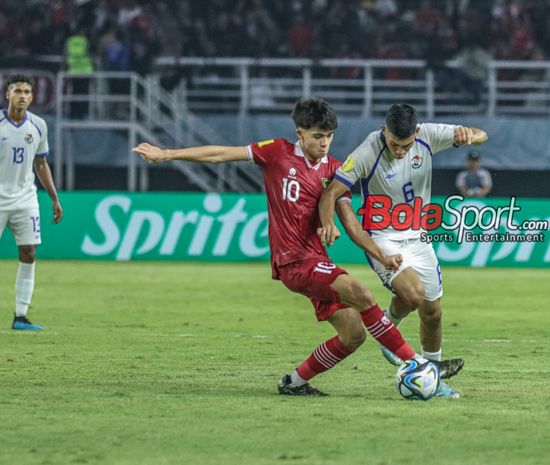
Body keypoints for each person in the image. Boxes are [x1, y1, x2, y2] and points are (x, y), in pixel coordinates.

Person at [133, 97, 463, 397]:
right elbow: (223, 153)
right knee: (362, 293)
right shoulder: (275, 152)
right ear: (300, 133)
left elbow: (350, 223)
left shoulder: (336, 170)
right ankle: (418, 364)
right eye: (317, 136)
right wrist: (167, 154)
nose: (324, 143)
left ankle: (294, 382)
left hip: (316, 262)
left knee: (353, 335)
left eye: (329, 136)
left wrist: (380, 254)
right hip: (293, 261)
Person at [318, 103, 487, 398]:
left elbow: (481, 134)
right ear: (384, 131)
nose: (399, 151)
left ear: (417, 133)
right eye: (395, 144)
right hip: (383, 238)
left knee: (433, 313)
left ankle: (433, 376)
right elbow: (331, 191)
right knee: (412, 294)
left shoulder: (428, 135)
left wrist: (467, 134)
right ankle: (388, 331)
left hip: (419, 238)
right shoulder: (368, 151)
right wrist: (328, 222)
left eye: (405, 145)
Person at [1, 74, 63, 330]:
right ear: (7, 95)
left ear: (32, 96)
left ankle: (21, 316)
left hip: (26, 198)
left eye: (27, 91)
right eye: (18, 91)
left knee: (29, 252)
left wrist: (54, 197)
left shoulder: (38, 125)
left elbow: (40, 163)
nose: (23, 96)